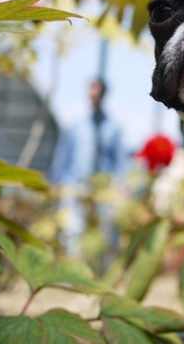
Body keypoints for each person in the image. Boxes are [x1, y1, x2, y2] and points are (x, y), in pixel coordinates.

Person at [49, 79, 127, 255]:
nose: (93, 95)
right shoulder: (75, 125)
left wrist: (120, 185)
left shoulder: (113, 128)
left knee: (103, 233)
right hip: (74, 186)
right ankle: (74, 271)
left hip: (102, 189)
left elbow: (120, 161)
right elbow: (62, 154)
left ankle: (98, 272)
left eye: (97, 91)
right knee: (72, 231)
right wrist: (57, 180)